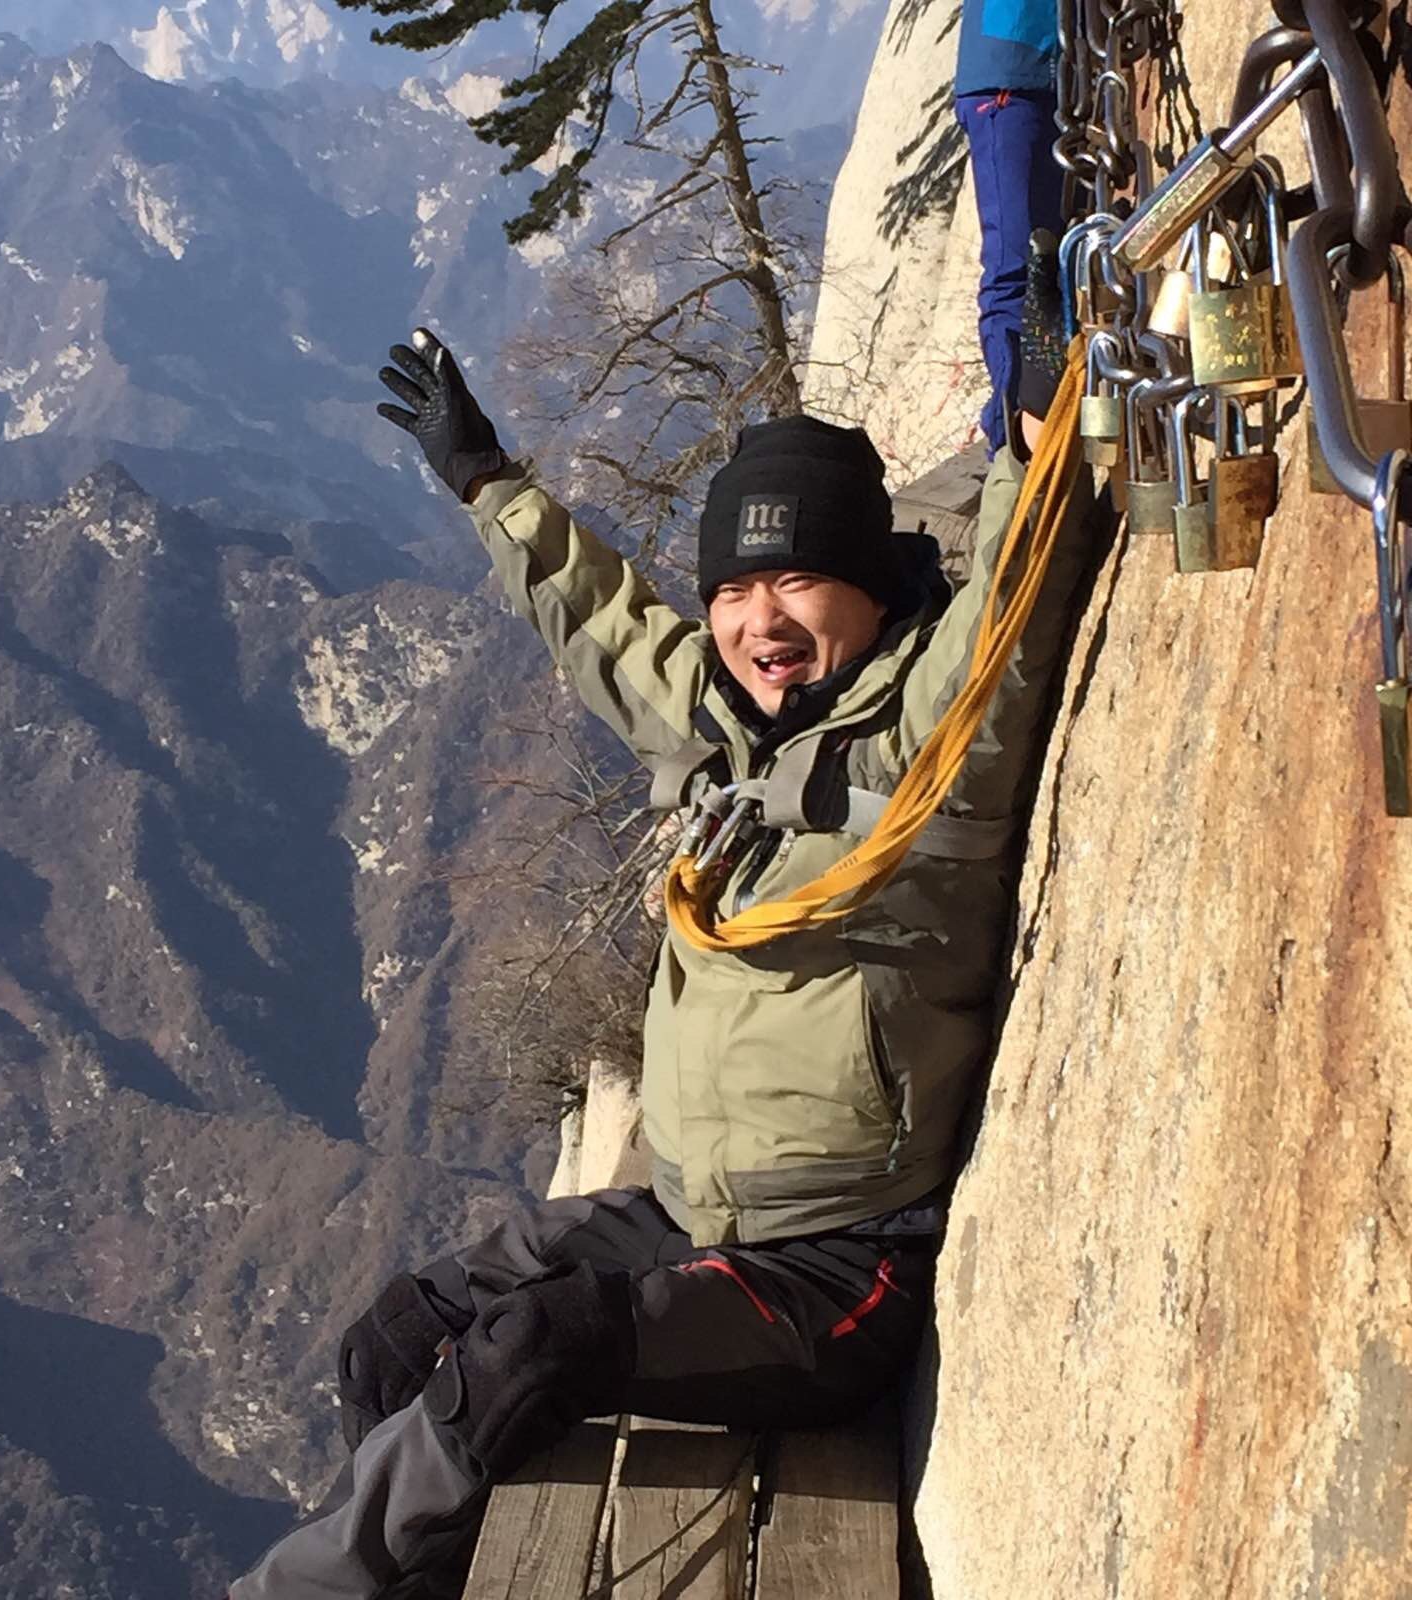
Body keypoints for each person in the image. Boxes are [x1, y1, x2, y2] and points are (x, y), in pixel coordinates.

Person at [229, 249, 1091, 1598]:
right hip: (692, 1220)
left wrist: (1040, 446)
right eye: (736, 591)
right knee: (397, 1341)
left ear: (873, 586)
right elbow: (611, 627)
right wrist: (487, 483)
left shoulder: (930, 744)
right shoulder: (727, 733)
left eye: (799, 581)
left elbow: (1011, 612)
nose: (760, 620)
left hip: (835, 1273)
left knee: (532, 1351)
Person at [954, 0, 1063, 454]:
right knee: (1014, 266)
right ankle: (1009, 436)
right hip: (1007, 80)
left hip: (1034, 73)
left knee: (1053, 259)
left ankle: (1040, 413)